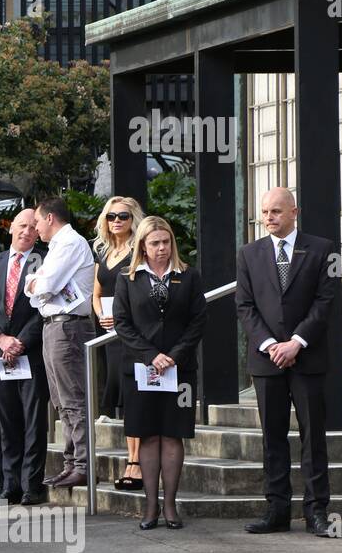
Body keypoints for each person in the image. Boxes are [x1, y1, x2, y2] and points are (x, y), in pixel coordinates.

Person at [235, 187, 338, 537]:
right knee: (272, 438)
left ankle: (317, 512)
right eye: (264, 212)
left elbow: (325, 301)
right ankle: (277, 510)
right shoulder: (249, 254)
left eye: (276, 211)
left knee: (313, 437)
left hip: (306, 358)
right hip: (267, 362)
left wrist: (295, 342)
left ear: (295, 212)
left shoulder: (322, 249)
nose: (268, 218)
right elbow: (245, 307)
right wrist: (270, 345)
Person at [114, 217, 207, 530]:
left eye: (166, 242)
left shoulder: (189, 276)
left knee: (173, 433)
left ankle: (170, 506)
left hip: (179, 370)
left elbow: (198, 321)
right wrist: (151, 355)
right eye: (155, 243)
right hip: (141, 369)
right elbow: (122, 323)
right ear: (143, 245)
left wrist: (174, 357)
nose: (162, 248)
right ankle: (150, 506)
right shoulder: (128, 278)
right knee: (148, 434)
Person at [25, 197, 97, 490]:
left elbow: (44, 286)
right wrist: (37, 284)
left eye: (37, 222)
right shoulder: (58, 246)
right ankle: (72, 463)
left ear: (51, 218)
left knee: (73, 399)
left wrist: (37, 283)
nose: (35, 228)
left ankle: (83, 464)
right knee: (61, 401)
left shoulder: (69, 243)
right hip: (54, 326)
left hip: (68, 327)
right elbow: (38, 289)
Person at [0, 209, 49, 504]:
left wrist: (21, 341)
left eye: (32, 227)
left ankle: (31, 485)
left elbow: (47, 307)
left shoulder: (46, 262)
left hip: (31, 353)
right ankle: (9, 484)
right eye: (22, 225)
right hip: (0, 355)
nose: (26, 231)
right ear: (10, 227)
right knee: (6, 422)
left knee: (33, 421)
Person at [91, 196, 145, 490]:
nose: (116, 221)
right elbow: (96, 293)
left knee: (135, 398)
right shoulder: (104, 252)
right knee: (124, 401)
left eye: (122, 216)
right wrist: (101, 316)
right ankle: (133, 458)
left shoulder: (140, 250)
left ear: (132, 218)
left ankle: (135, 462)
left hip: (134, 335)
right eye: (111, 216)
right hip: (112, 336)